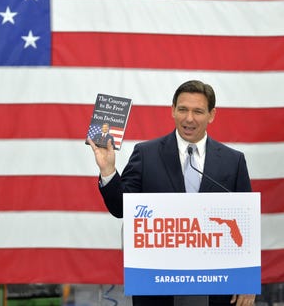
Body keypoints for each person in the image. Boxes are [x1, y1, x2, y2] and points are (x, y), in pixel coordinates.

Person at [88, 80, 255, 306]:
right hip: (158, 288)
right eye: (183, 109)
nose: (189, 118)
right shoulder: (146, 154)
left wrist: (247, 281)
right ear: (172, 110)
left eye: (198, 111)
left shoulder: (233, 161)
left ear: (211, 115)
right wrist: (108, 170)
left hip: (216, 288)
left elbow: (245, 224)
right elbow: (120, 208)